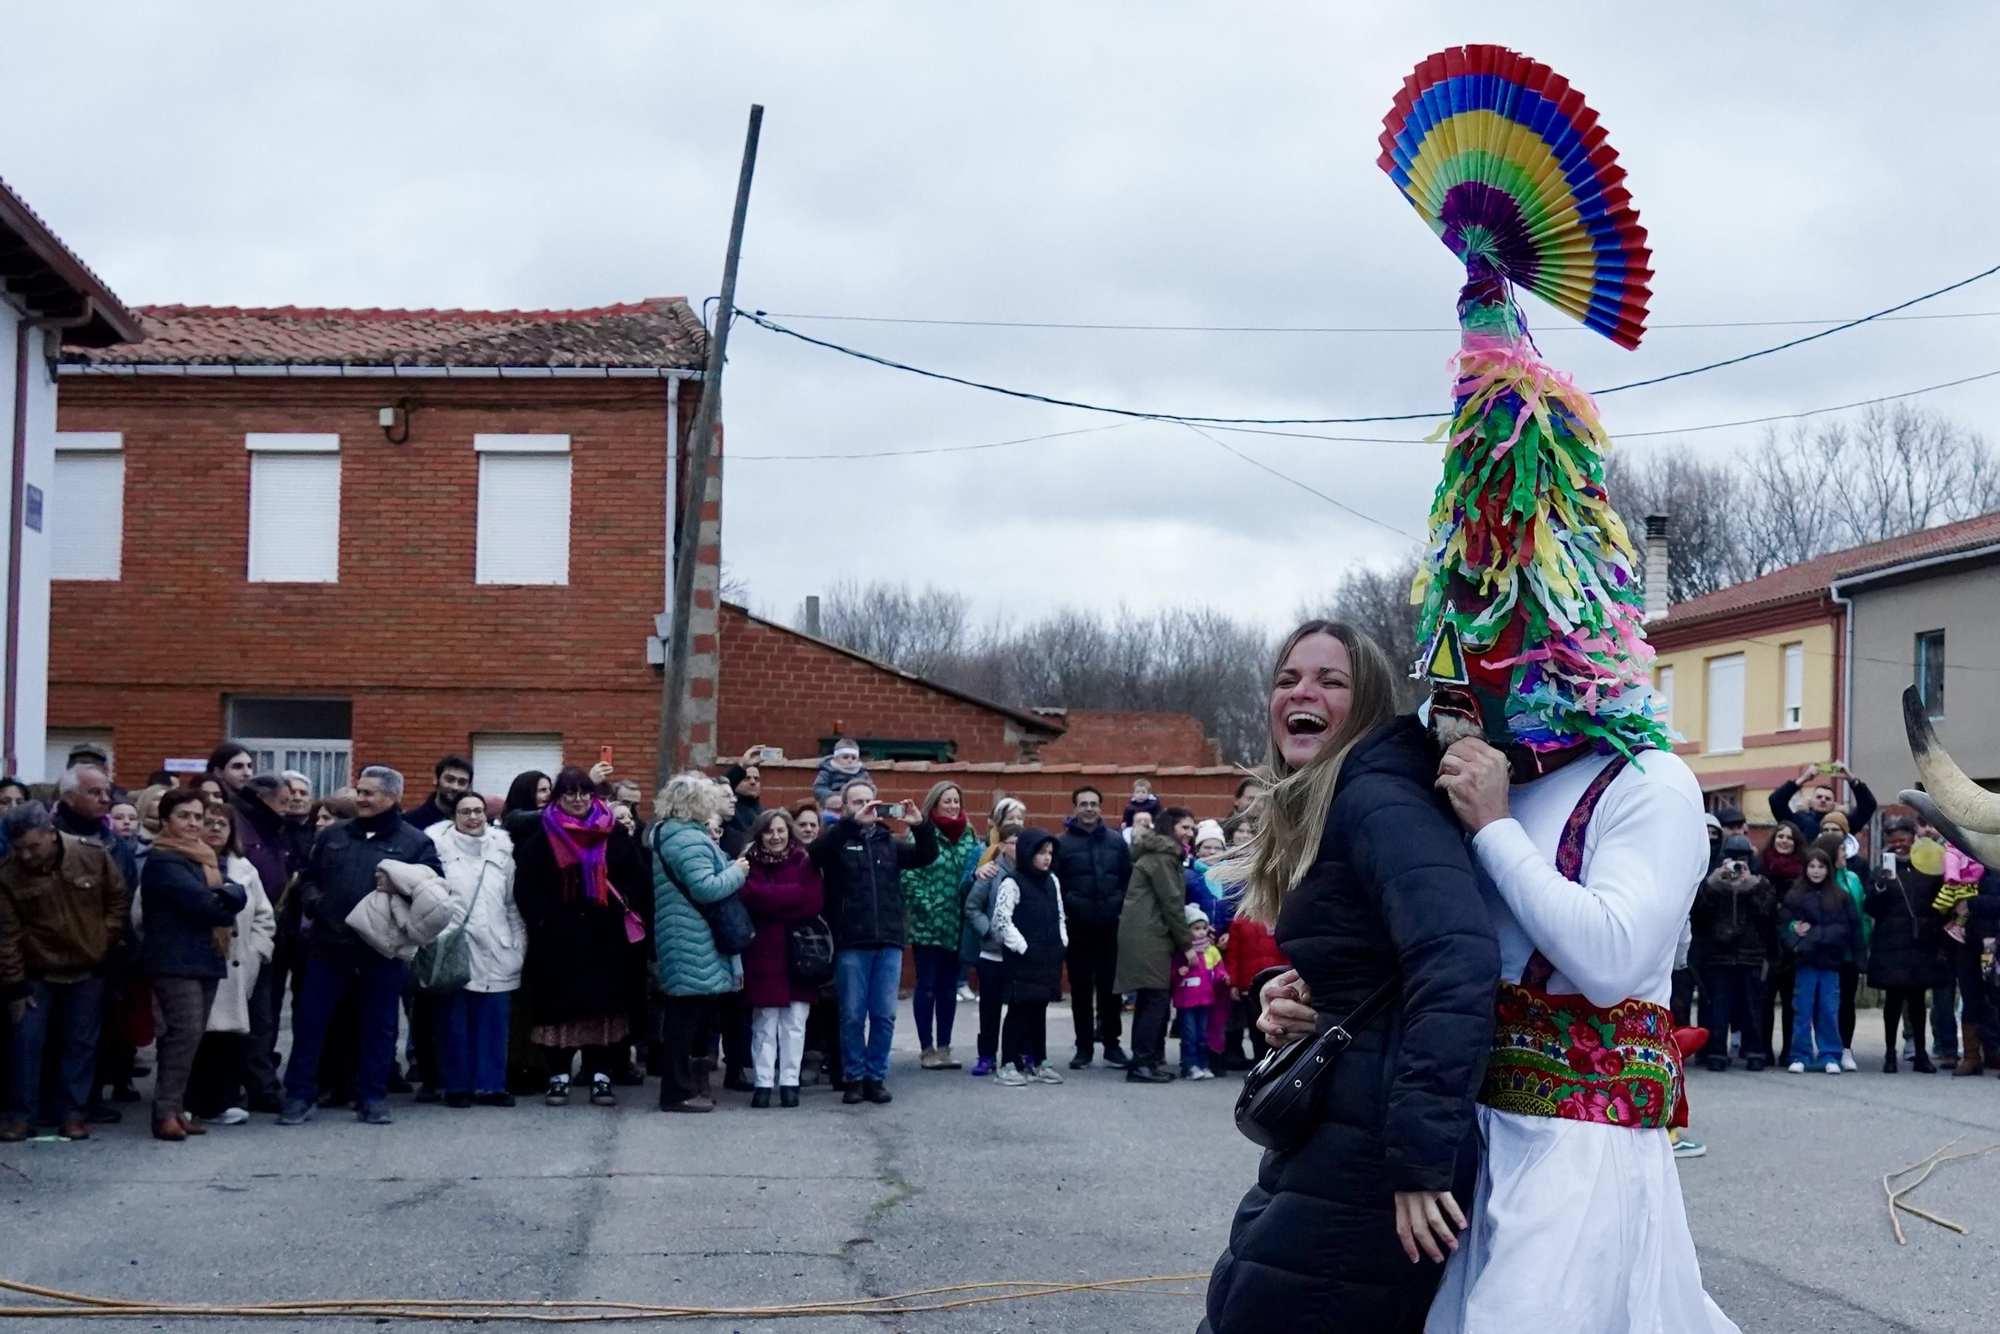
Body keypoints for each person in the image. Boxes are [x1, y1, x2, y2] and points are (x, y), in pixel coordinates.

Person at [1208, 621, 1499, 1332]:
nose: (1302, 692)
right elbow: (1377, 957)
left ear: (1365, 703)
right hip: (1339, 1128)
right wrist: (1298, 986)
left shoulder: (1380, 801)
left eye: (1329, 680)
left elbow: (1456, 959)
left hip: (1379, 1150)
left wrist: (1419, 1163)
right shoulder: (1340, 798)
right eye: (1287, 679)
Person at [278, 766, 443, 1127]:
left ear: (392, 798)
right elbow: (308, 878)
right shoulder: (334, 835)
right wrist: (314, 903)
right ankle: (299, 1095)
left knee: (380, 1027)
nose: (360, 798)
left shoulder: (415, 843)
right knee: (310, 1023)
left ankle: (371, 1097)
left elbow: (433, 892)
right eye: (359, 791)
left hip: (381, 951)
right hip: (328, 945)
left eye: (368, 793)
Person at [513, 766, 650, 1110]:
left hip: (606, 940)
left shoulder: (612, 831)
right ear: (558, 797)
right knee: (557, 1010)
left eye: (584, 793)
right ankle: (558, 1075)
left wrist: (623, 909)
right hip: (557, 942)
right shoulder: (542, 834)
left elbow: (637, 878)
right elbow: (526, 886)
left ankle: (599, 1075)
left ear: (593, 796)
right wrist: (545, 919)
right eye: (569, 793)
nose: (577, 800)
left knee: (603, 1011)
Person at [0, 802, 129, 1141]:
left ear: (51, 836)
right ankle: (21, 1115)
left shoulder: (92, 855)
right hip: (36, 973)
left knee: (81, 1044)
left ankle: (74, 1113)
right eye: (19, 849)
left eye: (33, 847)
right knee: (27, 1044)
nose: (26, 856)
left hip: (88, 966)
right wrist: (14, 985)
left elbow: (118, 898)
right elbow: (7, 936)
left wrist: (105, 938)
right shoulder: (8, 875)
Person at [808, 779, 937, 1105]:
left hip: (889, 939)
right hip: (852, 939)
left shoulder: (888, 842)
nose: (863, 807)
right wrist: (850, 825)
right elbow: (815, 855)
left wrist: (920, 826)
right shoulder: (837, 841)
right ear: (846, 807)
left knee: (883, 1015)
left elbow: (926, 856)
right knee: (852, 1015)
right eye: (855, 802)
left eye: (869, 801)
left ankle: (876, 1077)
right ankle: (853, 1077)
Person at [141, 787, 249, 1140]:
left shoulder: (203, 857)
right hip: (174, 961)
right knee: (181, 1035)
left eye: (197, 817)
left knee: (192, 1037)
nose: (192, 823)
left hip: (205, 957)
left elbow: (234, 893)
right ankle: (164, 1113)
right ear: (166, 820)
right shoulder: (164, 859)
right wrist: (228, 897)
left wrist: (228, 896)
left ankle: (175, 1108)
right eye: (183, 816)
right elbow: (205, 905)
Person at [648, 771, 749, 1113]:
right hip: (692, 936)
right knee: (685, 1017)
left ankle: (682, 1085)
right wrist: (737, 871)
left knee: (684, 1014)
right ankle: (677, 1091)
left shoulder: (667, 833)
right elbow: (705, 888)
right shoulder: (689, 839)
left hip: (682, 933)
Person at [425, 791, 524, 1107]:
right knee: (453, 1020)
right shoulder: (437, 850)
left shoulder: (503, 852)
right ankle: (456, 1086)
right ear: (454, 817)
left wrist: (517, 946)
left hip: (497, 946)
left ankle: (491, 1085)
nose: (472, 818)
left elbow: (511, 905)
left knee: (493, 1021)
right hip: (454, 945)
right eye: (465, 812)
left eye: (478, 811)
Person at [186, 801, 276, 1125]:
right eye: (208, 823)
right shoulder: (179, 862)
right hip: (192, 962)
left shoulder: (244, 869)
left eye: (222, 825)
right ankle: (186, 1103)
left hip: (236, 964)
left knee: (227, 1038)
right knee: (191, 1036)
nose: (215, 829)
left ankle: (219, 1103)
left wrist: (257, 952)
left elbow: (265, 916)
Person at [736, 809, 823, 1108]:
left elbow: (811, 903)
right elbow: (747, 897)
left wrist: (768, 898)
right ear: (760, 834)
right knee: (763, 1023)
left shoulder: (805, 862)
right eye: (769, 831)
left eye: (781, 831)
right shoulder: (748, 863)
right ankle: (763, 1083)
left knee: (795, 1022)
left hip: (799, 954)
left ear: (790, 833)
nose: (775, 837)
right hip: (761, 953)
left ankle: (790, 1082)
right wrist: (788, 896)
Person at [1114, 812, 1197, 1084]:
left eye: (1192, 828)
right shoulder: (1163, 857)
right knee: (1156, 1000)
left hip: (1146, 934)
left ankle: (1144, 1061)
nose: (1190, 832)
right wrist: (1187, 945)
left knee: (1150, 999)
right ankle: (1141, 1064)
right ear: (1170, 827)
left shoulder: (1160, 853)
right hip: (1149, 935)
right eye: (1185, 827)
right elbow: (1172, 903)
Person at [1053, 785, 1131, 1070]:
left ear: (1101, 808)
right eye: (1083, 803)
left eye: (1094, 804)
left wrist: (1117, 902)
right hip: (1077, 928)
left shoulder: (1116, 841)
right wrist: (1073, 903)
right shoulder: (1061, 843)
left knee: (1111, 990)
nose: (1089, 808)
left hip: (1110, 926)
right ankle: (1083, 1047)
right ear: (1075, 808)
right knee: (1081, 990)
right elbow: (1056, 883)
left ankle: (1112, 1045)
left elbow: (1127, 878)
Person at [904, 781, 981, 1071]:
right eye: (946, 801)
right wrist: (926, 905)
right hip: (928, 923)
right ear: (934, 804)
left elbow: (974, 869)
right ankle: (927, 1048)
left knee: (950, 987)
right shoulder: (922, 832)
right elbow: (909, 876)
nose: (952, 806)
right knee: (927, 985)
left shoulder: (969, 835)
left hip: (958, 922)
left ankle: (946, 1047)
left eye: (955, 801)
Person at [1689, 835, 1777, 1071]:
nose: (1737, 865)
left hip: (1751, 955)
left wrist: (1751, 887)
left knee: (1752, 1007)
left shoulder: (1761, 883)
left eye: (1742, 859)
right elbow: (1698, 915)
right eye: (1732, 859)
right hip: (1719, 955)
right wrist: (1713, 886)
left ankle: (1754, 1051)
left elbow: (1768, 915)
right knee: (1718, 1008)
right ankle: (1716, 1052)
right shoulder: (1713, 883)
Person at [989, 827, 1068, 1087]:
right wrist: (1022, 946)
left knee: (1039, 1008)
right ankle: (1008, 1063)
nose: (1046, 858)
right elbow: (1002, 920)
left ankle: (1039, 1060)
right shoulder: (1012, 882)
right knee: (1018, 1010)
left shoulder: (1052, 881)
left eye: (1049, 853)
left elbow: (1059, 914)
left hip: (1048, 956)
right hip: (1022, 958)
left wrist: (1061, 941)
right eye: (1041, 853)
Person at [1865, 817, 1945, 1074]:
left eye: (1903, 840)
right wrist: (1879, 888)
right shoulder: (1880, 870)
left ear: (1913, 838)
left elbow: (1939, 901)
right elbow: (1871, 909)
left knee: (1918, 1000)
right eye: (1893, 841)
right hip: (1890, 942)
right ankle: (1890, 1054)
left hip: (1920, 941)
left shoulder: (1928, 867)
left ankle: (1921, 1053)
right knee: (1893, 1000)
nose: (1898, 845)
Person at [1781, 846, 1864, 1075]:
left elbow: (1850, 928)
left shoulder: (1840, 896)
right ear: (1805, 868)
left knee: (1829, 1009)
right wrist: (1795, 941)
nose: (1816, 871)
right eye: (1812, 866)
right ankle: (1800, 1054)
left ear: (1828, 869)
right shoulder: (1795, 895)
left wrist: (1858, 957)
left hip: (1830, 962)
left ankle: (1830, 1054)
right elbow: (1783, 926)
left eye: (1821, 866)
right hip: (1804, 961)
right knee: (1802, 1009)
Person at [960, 823, 1020, 1077]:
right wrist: (988, 931)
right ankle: (986, 1055)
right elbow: (972, 907)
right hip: (992, 952)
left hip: (1019, 954)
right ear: (1002, 844)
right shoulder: (993, 871)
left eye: (1021, 842)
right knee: (990, 1009)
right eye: (1012, 842)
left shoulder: (1031, 873)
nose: (1017, 848)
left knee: (1019, 1008)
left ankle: (1014, 1055)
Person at [1756, 821, 1806, 1064]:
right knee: (1764, 1000)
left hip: (1792, 943)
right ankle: (1763, 1048)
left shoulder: (1803, 872)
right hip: (1764, 943)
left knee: (1790, 1002)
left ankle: (1789, 1050)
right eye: (1780, 836)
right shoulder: (1761, 866)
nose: (1784, 841)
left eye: (1790, 838)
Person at [1173, 905, 1229, 1080]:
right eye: (1197, 929)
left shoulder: (1211, 950)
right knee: (1189, 1034)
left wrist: (1223, 976)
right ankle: (1189, 1065)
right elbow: (1172, 973)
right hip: (1186, 1000)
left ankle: (1203, 1064)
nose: (1202, 932)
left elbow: (1218, 967)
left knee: (1203, 1034)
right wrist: (1178, 972)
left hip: (1205, 998)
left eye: (1204, 928)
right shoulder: (1183, 952)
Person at [1769, 762, 1876, 845]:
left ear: (1834, 804)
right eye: (1819, 797)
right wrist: (1803, 779)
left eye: (1828, 798)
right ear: (1810, 802)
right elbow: (1776, 800)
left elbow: (1868, 805)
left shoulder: (1843, 822)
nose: (1823, 800)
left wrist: (1851, 779)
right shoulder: (1797, 820)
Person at [404, 755, 474, 832]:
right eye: (449, 780)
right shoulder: (411, 822)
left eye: (462, 782)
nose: (455, 787)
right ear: (436, 780)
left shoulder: (475, 822)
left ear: (469, 787)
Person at [718, 749, 766, 857]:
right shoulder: (727, 811)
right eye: (746, 778)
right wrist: (741, 767)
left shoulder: (765, 814)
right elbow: (718, 789)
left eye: (756, 779)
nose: (753, 782)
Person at [813, 740, 872, 808]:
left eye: (853, 758)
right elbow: (819, 788)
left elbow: (870, 788)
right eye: (845, 757)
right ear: (835, 758)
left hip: (856, 804)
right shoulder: (828, 771)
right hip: (833, 804)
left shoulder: (862, 773)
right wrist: (831, 796)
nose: (850, 760)